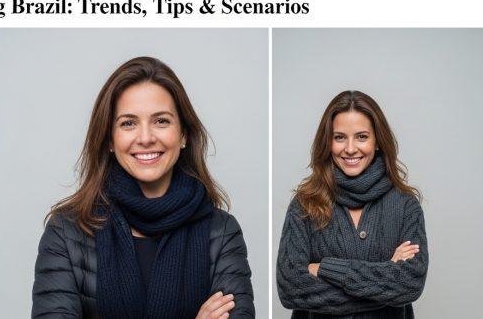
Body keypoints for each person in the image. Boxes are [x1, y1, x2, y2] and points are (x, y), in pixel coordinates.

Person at [32, 56, 255, 318]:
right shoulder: (66, 231)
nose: (146, 138)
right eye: (128, 123)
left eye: (161, 121)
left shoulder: (222, 232)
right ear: (110, 140)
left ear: (183, 134)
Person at [276, 90, 428, 318]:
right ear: (327, 142)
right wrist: (385, 280)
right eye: (339, 137)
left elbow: (410, 283)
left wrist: (325, 268)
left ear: (378, 140)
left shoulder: (405, 205)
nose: (349, 148)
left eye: (361, 137)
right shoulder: (304, 204)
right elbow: (291, 288)